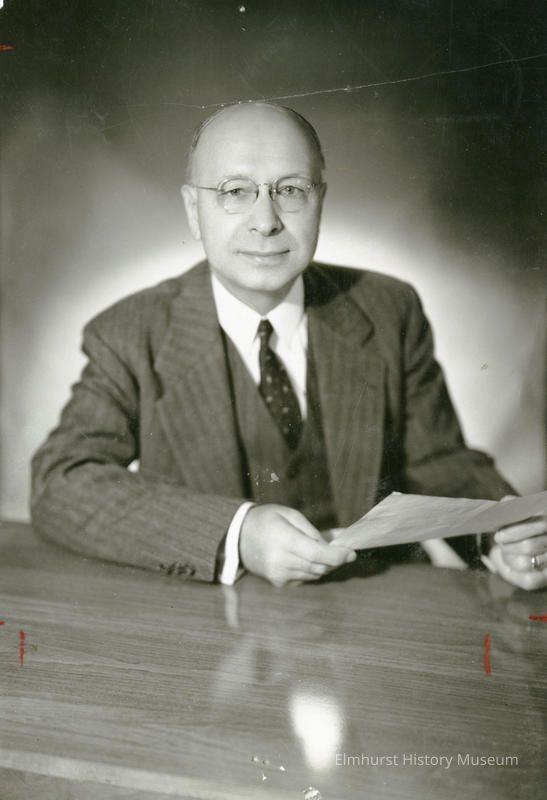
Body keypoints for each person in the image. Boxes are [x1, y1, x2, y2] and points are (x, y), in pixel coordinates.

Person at [31, 102, 547, 590]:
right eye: (235, 191)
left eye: (291, 190)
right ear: (193, 210)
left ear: (320, 201)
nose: (266, 221)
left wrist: (498, 534)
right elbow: (60, 482)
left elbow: (439, 461)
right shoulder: (131, 333)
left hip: (375, 606)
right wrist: (237, 532)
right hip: (209, 622)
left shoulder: (388, 309)